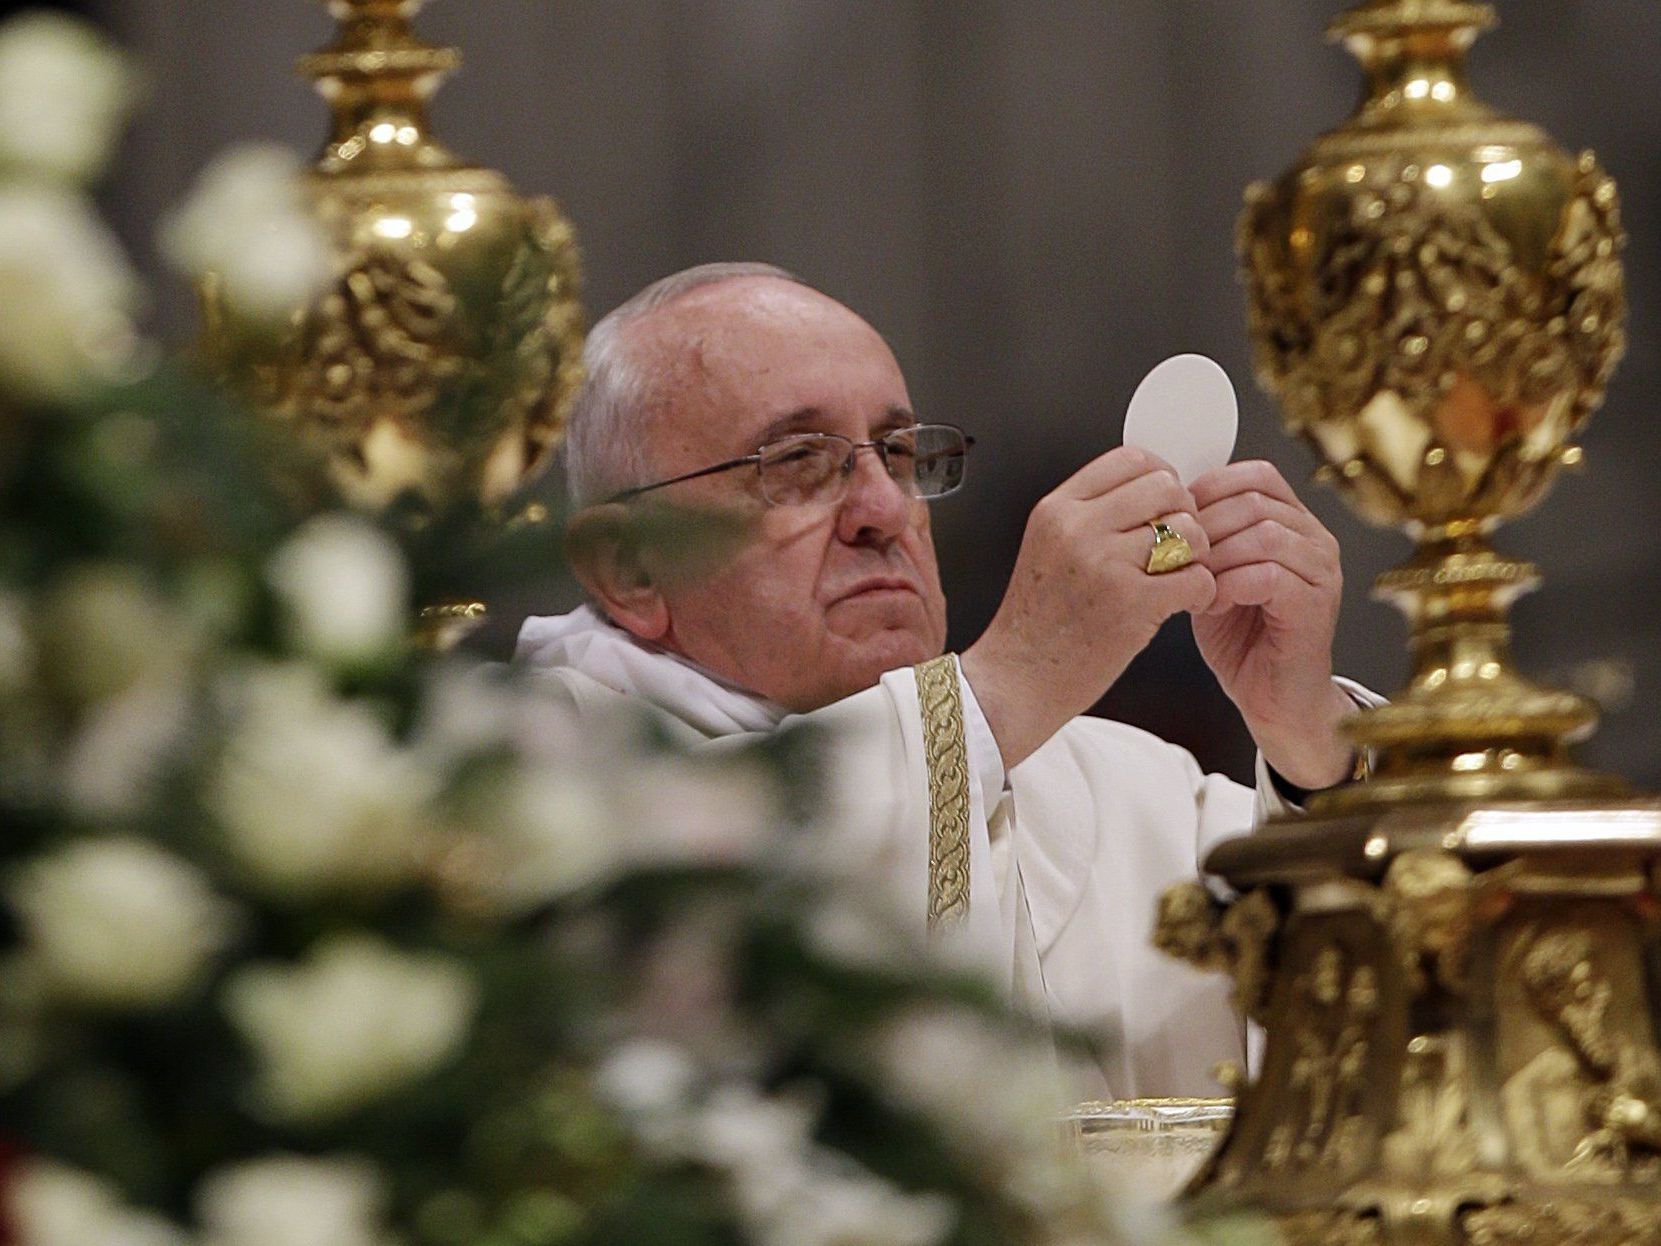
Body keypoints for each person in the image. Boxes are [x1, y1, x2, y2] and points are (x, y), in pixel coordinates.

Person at [517, 262, 1373, 1099]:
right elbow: (730, 966)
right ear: (628, 566)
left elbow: (1410, 1010)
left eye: (897, 454)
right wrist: (1011, 684)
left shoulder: (1107, 780)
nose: (884, 511)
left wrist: (1308, 746)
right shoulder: (526, 798)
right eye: (795, 462)